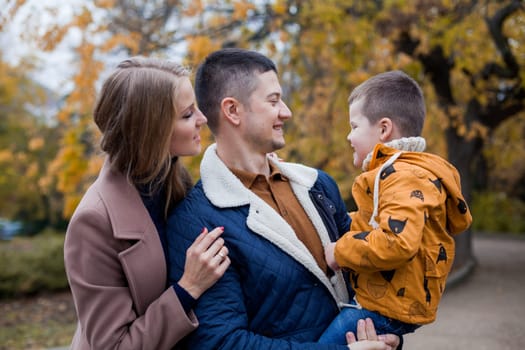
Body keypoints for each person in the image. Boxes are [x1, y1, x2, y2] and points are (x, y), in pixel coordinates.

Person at [166, 48, 399, 349]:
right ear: (232, 110)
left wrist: (387, 338)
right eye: (273, 101)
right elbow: (222, 342)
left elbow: (370, 281)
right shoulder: (197, 222)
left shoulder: (319, 186)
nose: (286, 112)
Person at [63, 56, 231, 349]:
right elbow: (114, 346)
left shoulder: (173, 180)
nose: (203, 119)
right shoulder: (93, 222)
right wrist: (187, 288)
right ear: (151, 130)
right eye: (188, 114)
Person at [320, 70, 473, 344]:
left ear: (383, 129)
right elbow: (375, 223)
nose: (348, 136)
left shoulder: (403, 176)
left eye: (354, 126)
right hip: (388, 301)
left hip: (384, 306)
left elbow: (396, 240)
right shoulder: (400, 174)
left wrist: (339, 252)